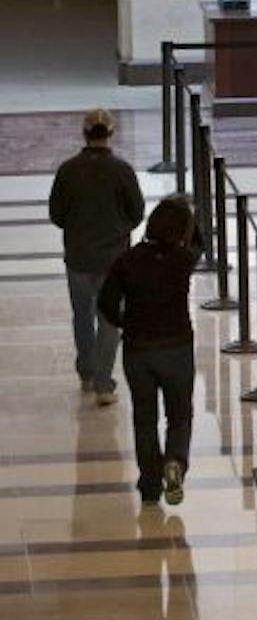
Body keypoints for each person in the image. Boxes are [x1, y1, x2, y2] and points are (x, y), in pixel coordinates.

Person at [96, 195, 199, 506]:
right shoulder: (183, 260)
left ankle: (150, 484)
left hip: (139, 350)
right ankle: (175, 462)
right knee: (179, 416)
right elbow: (200, 242)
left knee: (145, 418)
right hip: (177, 346)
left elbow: (105, 303)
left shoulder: (127, 260)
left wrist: (125, 322)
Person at [49, 108, 144, 406]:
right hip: (113, 259)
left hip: (77, 256)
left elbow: (57, 214)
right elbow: (137, 212)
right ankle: (104, 383)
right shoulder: (122, 171)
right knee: (109, 320)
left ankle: (87, 373)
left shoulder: (67, 170)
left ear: (84, 133)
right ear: (111, 133)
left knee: (81, 315)